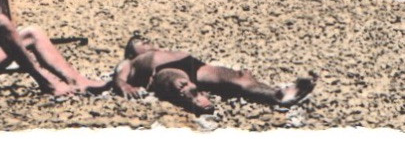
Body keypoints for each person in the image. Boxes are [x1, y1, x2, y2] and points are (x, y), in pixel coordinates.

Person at [111, 36, 316, 116]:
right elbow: (119, 78)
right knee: (179, 82)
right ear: (131, 51)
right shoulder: (130, 61)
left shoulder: (160, 49)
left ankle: (277, 95)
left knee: (238, 78)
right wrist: (125, 87)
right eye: (140, 41)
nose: (146, 41)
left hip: (193, 64)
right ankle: (193, 97)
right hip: (161, 72)